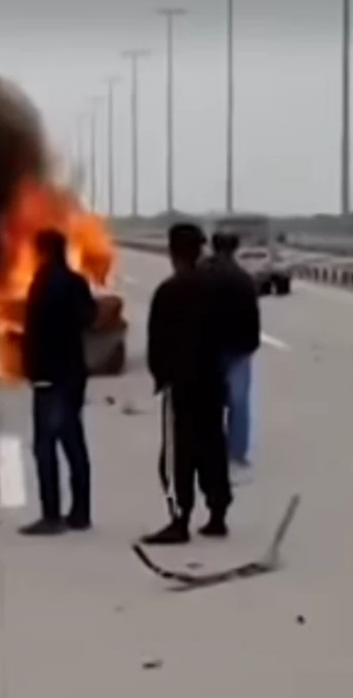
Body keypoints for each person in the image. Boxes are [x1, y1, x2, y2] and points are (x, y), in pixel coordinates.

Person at [142, 222, 232, 545]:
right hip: (212, 382)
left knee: (178, 454)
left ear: (172, 252)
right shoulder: (216, 288)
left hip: (181, 386)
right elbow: (229, 335)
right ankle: (218, 514)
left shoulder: (169, 291)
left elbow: (156, 343)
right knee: (212, 447)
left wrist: (160, 377)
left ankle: (180, 518)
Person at [18, 229, 98, 536]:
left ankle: (51, 515)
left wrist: (32, 368)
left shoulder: (43, 283)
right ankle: (80, 513)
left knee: (45, 446)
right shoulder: (76, 282)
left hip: (49, 377)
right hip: (73, 372)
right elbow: (90, 318)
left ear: (45, 251)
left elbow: (34, 329)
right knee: (73, 443)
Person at [204, 232, 261, 468]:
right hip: (238, 348)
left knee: (208, 402)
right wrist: (250, 345)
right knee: (239, 402)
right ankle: (236, 454)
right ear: (235, 249)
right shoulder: (243, 279)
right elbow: (253, 318)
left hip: (207, 349)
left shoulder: (201, 276)